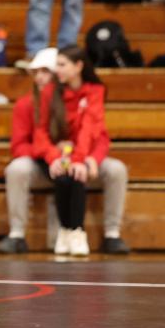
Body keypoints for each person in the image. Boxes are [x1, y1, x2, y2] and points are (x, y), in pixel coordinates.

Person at [0, 47, 129, 255]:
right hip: (46, 161)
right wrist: (55, 157)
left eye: (46, 71)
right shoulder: (30, 103)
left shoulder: (85, 93)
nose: (41, 77)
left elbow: (97, 133)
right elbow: (22, 144)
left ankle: (111, 234)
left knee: (116, 169)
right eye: (36, 72)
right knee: (17, 168)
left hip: (78, 159)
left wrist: (86, 158)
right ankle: (17, 234)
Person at [30, 45, 109, 257]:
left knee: (75, 175)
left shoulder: (94, 91)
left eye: (62, 65)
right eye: (56, 64)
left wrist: (80, 159)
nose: (58, 70)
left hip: (80, 152)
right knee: (63, 177)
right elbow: (40, 132)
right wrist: (53, 157)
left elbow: (90, 129)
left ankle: (76, 231)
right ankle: (66, 230)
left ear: (78, 66)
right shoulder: (49, 92)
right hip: (53, 153)